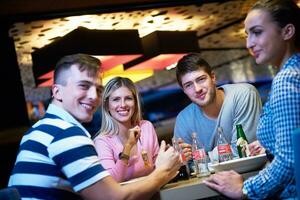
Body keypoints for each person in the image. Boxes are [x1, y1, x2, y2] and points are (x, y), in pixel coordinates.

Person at [8, 53, 181, 199]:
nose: (93, 96)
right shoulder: (67, 134)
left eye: (98, 89)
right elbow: (114, 198)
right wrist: (163, 172)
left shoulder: (38, 131)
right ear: (57, 91)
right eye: (83, 86)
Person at [204, 0, 300, 199]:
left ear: (287, 31)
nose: (249, 43)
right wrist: (271, 143)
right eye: (247, 35)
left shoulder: (287, 79)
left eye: (257, 32)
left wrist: (245, 189)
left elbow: (290, 160)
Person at [174, 53, 262, 155]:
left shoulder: (243, 94)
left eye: (201, 79)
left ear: (213, 77)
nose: (197, 89)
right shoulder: (183, 119)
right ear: (184, 90)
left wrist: (202, 157)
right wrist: (182, 159)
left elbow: (244, 151)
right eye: (188, 85)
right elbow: (188, 164)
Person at [93, 77, 159, 182]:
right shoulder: (102, 141)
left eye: (128, 98)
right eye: (116, 99)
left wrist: (171, 156)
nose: (123, 105)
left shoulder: (146, 127)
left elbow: (158, 167)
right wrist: (128, 147)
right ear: (107, 106)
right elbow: (111, 182)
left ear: (135, 102)